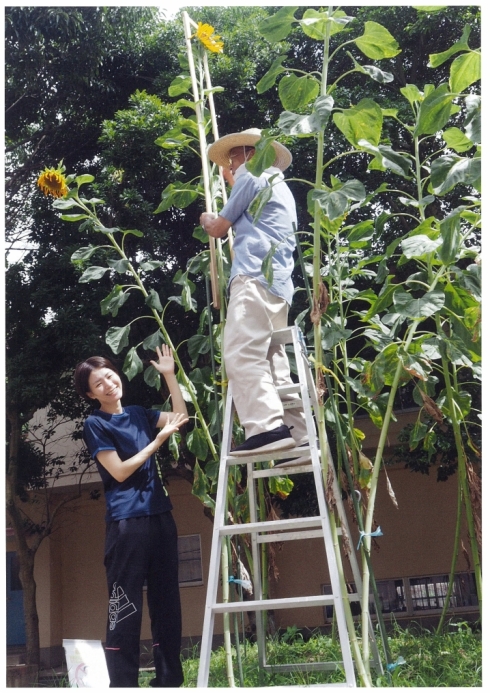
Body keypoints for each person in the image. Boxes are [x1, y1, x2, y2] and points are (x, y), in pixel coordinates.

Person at [74, 345, 188, 688]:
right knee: (124, 603)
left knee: (167, 600)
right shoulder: (95, 423)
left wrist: (169, 376)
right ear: (91, 394)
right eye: (99, 384)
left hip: (160, 515)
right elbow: (120, 472)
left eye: (110, 375)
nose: (109, 384)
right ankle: (123, 683)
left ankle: (169, 680)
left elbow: (180, 418)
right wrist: (158, 442)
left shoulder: (139, 413)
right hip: (127, 522)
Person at [200, 127, 310, 462]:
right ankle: (299, 434)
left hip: (253, 275)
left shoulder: (251, 174)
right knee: (271, 360)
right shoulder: (275, 182)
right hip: (278, 284)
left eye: (234, 156)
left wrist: (207, 218)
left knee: (241, 353)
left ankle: (265, 429)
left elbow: (220, 227)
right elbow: (251, 207)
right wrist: (231, 181)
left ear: (248, 152)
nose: (231, 163)